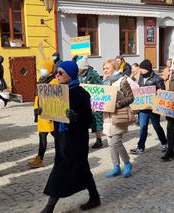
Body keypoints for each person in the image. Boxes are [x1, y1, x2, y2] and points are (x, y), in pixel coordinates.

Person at [41, 61, 100, 213]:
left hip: (76, 140)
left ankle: (49, 206)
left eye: (61, 73)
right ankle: (95, 197)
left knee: (61, 170)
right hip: (62, 139)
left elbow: (88, 120)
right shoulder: (57, 92)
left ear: (71, 75)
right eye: (56, 72)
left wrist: (75, 118)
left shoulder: (81, 94)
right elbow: (55, 116)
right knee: (83, 168)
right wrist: (43, 111)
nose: (57, 75)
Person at [102, 59, 134, 178]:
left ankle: (127, 163)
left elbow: (131, 98)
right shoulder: (104, 81)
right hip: (107, 116)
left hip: (118, 115)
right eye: (104, 68)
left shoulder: (122, 81)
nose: (105, 70)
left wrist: (119, 104)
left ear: (115, 68)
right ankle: (116, 167)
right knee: (110, 143)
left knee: (116, 142)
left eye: (107, 68)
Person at [130, 59, 168, 154]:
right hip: (143, 108)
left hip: (153, 107)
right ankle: (140, 146)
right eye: (140, 68)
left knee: (156, 126)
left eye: (143, 69)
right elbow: (139, 90)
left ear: (148, 69)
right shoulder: (141, 77)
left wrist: (154, 94)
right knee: (143, 126)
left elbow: (162, 91)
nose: (141, 70)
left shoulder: (157, 79)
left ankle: (164, 143)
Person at [28, 60, 57, 168]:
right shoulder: (42, 80)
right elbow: (38, 96)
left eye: (44, 68)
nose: (42, 70)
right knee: (42, 137)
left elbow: (55, 99)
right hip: (41, 114)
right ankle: (39, 158)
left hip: (49, 115)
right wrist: (36, 108)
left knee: (58, 138)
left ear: (49, 69)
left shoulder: (54, 81)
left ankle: (64, 155)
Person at [77, 56, 104, 149]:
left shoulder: (94, 75)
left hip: (95, 102)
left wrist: (96, 101)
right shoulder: (78, 75)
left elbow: (100, 87)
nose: (78, 70)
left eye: (79, 68)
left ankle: (99, 140)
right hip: (84, 101)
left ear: (84, 68)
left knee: (97, 121)